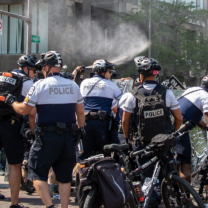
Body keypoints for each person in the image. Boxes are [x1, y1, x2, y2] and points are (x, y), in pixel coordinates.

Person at [2, 51, 85, 208]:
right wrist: (80, 131)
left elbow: (25, 111)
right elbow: (80, 113)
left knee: (37, 173)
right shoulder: (73, 85)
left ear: (47, 67)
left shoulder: (39, 85)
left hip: (47, 136)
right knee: (65, 178)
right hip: (69, 136)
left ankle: (49, 205)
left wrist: (12, 102)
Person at [121, 56, 183, 207]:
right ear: (156, 74)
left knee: (146, 176)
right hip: (164, 143)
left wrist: (128, 139)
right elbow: (179, 119)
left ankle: (149, 199)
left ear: (140, 75)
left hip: (143, 144)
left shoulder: (132, 95)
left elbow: (125, 121)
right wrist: (171, 135)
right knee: (167, 172)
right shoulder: (167, 93)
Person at [0, 55, 37, 207]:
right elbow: (31, 112)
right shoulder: (27, 82)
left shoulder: (3, 76)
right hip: (11, 124)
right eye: (34, 70)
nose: (35, 73)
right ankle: (14, 203)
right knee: (15, 164)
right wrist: (34, 130)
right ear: (26, 69)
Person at [79, 59, 122, 160]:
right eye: (110, 71)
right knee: (105, 156)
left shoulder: (84, 82)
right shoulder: (110, 84)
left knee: (83, 156)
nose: (111, 74)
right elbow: (123, 101)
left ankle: (81, 174)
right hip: (102, 125)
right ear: (103, 71)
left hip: (85, 123)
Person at [176, 75, 208, 186]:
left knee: (175, 160)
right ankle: (186, 199)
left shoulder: (192, 89)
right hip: (180, 128)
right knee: (186, 164)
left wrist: (200, 123)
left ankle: (174, 194)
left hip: (170, 123)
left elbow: (183, 108)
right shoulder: (206, 96)